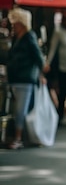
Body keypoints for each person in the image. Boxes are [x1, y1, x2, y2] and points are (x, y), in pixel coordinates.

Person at [6, 8, 45, 149]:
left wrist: (42, 71)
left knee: (21, 109)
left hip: (26, 77)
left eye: (15, 23)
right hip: (17, 77)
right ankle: (24, 136)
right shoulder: (17, 37)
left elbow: (37, 56)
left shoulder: (29, 36)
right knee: (20, 109)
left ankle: (18, 138)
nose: (13, 26)